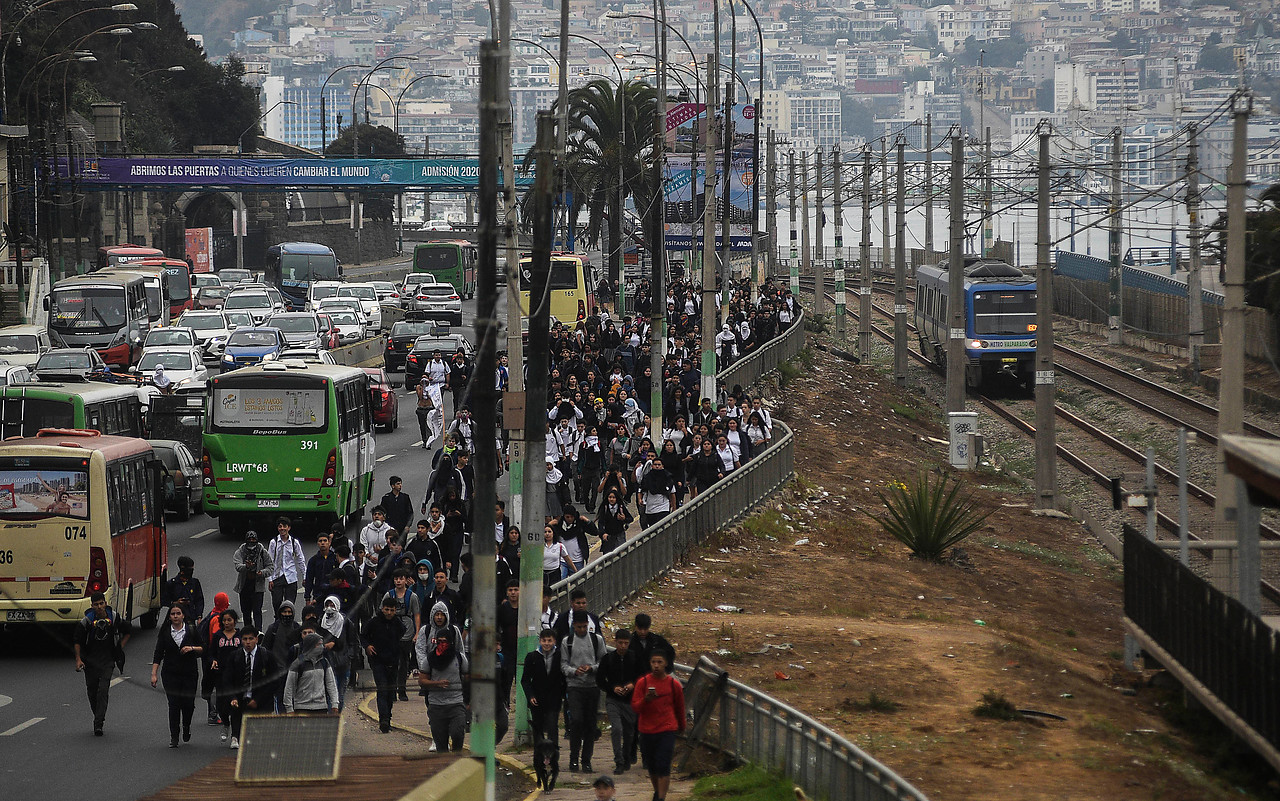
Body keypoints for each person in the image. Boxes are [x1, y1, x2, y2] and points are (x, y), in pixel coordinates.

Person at [73, 592, 131, 736]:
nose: (99, 607)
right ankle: (97, 715)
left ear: (105, 603)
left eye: (101, 603)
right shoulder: (86, 621)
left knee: (103, 690)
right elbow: (77, 641)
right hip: (90, 662)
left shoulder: (114, 617)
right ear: (91, 606)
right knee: (92, 691)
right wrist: (78, 660)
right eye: (96, 604)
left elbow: (128, 630)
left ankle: (98, 723)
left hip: (108, 661)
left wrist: (119, 648)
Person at [632, 651, 685, 801]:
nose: (656, 665)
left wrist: (681, 725)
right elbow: (635, 707)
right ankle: (657, 791)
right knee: (652, 767)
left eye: (659, 662)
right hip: (647, 730)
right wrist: (645, 700)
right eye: (653, 662)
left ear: (666, 663)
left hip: (667, 729)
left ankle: (661, 797)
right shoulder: (643, 682)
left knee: (663, 765)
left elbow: (680, 707)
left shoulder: (673, 684)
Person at [151, 605, 204, 748]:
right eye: (173, 613)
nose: (175, 616)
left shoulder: (191, 630)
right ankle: (174, 736)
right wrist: (154, 674)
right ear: (169, 616)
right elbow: (158, 653)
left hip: (189, 674)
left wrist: (191, 648)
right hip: (170, 674)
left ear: (183, 616)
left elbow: (203, 648)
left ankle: (186, 726)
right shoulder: (165, 632)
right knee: (173, 705)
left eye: (178, 613)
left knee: (188, 704)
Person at [561, 610, 607, 773]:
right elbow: (564, 665)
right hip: (574, 687)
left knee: (590, 724)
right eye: (579, 627)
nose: (582, 629)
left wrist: (591, 668)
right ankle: (574, 758)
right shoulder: (568, 642)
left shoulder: (597, 640)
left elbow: (603, 661)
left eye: (585, 626)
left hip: (592, 686)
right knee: (576, 720)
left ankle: (586, 760)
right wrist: (574, 671)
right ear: (574, 626)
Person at [521, 629, 566, 792]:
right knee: (538, 732)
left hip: (554, 700)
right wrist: (530, 696)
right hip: (537, 701)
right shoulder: (532, 657)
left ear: (554, 641)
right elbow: (525, 680)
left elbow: (563, 679)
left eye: (550, 641)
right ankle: (539, 762)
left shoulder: (560, 656)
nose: (547, 644)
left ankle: (554, 762)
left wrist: (562, 694)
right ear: (540, 641)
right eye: (544, 640)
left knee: (553, 729)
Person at [225, 625, 279, 750]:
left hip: (260, 698)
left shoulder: (267, 656)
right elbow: (227, 679)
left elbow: (273, 680)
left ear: (256, 639)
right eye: (245, 639)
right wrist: (232, 697)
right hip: (240, 696)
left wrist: (258, 699)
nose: (248, 642)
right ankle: (235, 736)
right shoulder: (235, 657)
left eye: (251, 639)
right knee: (237, 714)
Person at [597, 628, 640, 775]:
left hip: (630, 701)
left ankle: (626, 756)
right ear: (615, 642)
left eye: (626, 643)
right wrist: (612, 688)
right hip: (613, 700)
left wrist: (632, 685)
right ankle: (619, 761)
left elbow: (642, 676)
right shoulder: (608, 659)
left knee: (629, 732)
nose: (622, 646)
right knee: (616, 729)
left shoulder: (634, 658)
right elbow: (600, 680)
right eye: (620, 643)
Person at [418, 627, 469, 752]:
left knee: (457, 733)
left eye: (445, 641)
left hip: (456, 704)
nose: (442, 645)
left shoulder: (460, 658)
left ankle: (456, 761)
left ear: (451, 642)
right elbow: (422, 681)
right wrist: (436, 684)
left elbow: (468, 679)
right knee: (441, 744)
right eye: (439, 642)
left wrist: (468, 700)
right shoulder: (429, 660)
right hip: (436, 706)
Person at [362, 597, 406, 732]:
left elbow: (402, 633)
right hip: (378, 661)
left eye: (392, 610)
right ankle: (384, 720)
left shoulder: (397, 624)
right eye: (387, 610)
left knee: (390, 691)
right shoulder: (374, 623)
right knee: (382, 689)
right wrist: (367, 646)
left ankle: (388, 716)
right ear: (382, 609)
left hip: (393, 661)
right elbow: (363, 635)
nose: (389, 613)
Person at [383, 569, 422, 703]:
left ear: (406, 580)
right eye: (396, 579)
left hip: (406, 631)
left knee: (403, 663)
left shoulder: (412, 596)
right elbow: (381, 612)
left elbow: (417, 614)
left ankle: (402, 690)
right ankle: (392, 690)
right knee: (391, 663)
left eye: (401, 578)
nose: (398, 581)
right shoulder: (389, 595)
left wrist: (417, 633)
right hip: (390, 632)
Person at [196, 591, 232, 725]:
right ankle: (213, 714)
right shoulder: (217, 619)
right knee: (217, 686)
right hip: (214, 658)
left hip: (207, 656)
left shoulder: (211, 614)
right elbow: (216, 638)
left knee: (211, 684)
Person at [283, 631, 340, 714]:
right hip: (301, 707)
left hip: (321, 707)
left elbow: (331, 684)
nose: (321, 647)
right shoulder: (297, 664)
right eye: (318, 644)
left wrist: (335, 704)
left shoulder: (324, 662)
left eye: (321, 644)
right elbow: (289, 687)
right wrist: (289, 709)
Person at [267, 517, 307, 621]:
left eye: (284, 526)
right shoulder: (273, 542)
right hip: (277, 576)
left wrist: (305, 576)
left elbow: (300, 560)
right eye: (280, 526)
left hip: (291, 577)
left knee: (289, 605)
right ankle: (278, 623)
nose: (282, 528)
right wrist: (270, 579)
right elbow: (269, 561)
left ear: (289, 528)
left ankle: (289, 625)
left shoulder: (294, 543)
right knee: (276, 603)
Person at [232, 530, 273, 630]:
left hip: (257, 587)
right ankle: (247, 631)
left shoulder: (263, 551)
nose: (251, 541)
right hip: (244, 586)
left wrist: (262, 572)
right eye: (249, 539)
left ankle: (258, 632)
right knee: (245, 611)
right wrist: (246, 567)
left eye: (253, 539)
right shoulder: (240, 551)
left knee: (257, 611)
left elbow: (270, 567)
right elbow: (237, 566)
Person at [319, 595, 352, 710]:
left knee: (340, 696)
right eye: (327, 605)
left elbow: (352, 642)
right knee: (331, 695)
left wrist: (349, 656)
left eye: (332, 605)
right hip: (328, 663)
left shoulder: (345, 622)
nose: (329, 608)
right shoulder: (321, 622)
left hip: (343, 663)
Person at [160, 555, 204, 622]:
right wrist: (176, 603)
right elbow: (164, 600)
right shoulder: (172, 584)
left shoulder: (195, 583)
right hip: (175, 620)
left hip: (190, 618)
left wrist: (199, 616)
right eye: (189, 569)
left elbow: (199, 600)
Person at [596, 488, 633, 555]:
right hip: (608, 536)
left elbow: (630, 519)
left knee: (621, 554)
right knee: (608, 556)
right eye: (610, 497)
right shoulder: (604, 508)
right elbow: (600, 522)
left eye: (613, 497)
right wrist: (603, 533)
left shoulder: (621, 507)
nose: (611, 499)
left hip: (619, 535)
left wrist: (624, 519)